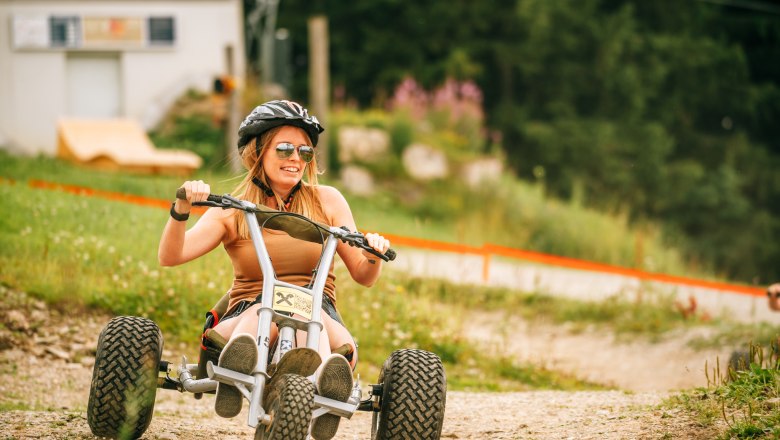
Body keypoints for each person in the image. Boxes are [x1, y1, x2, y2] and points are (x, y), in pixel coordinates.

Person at [158, 100, 390, 440]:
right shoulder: (233, 210)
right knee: (258, 317)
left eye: (304, 152)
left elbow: (363, 275)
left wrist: (373, 254)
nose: (295, 159)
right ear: (258, 152)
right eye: (283, 149)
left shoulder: (329, 201)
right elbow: (171, 256)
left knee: (314, 331)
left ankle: (327, 388)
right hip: (251, 306)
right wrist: (181, 209)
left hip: (315, 310)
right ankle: (241, 366)